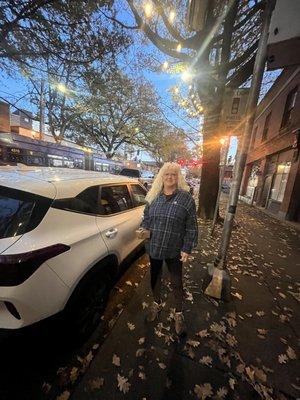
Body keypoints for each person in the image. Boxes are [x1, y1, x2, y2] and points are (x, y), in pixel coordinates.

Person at [139, 162, 198, 336]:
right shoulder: (153, 197)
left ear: (178, 177)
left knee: (176, 283)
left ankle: (178, 313)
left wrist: (187, 248)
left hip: (174, 249)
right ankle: (156, 303)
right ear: (162, 177)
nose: (170, 177)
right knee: (155, 277)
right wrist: (143, 228)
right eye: (167, 174)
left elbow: (191, 226)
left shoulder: (186, 199)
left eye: (173, 174)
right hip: (155, 247)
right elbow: (147, 218)